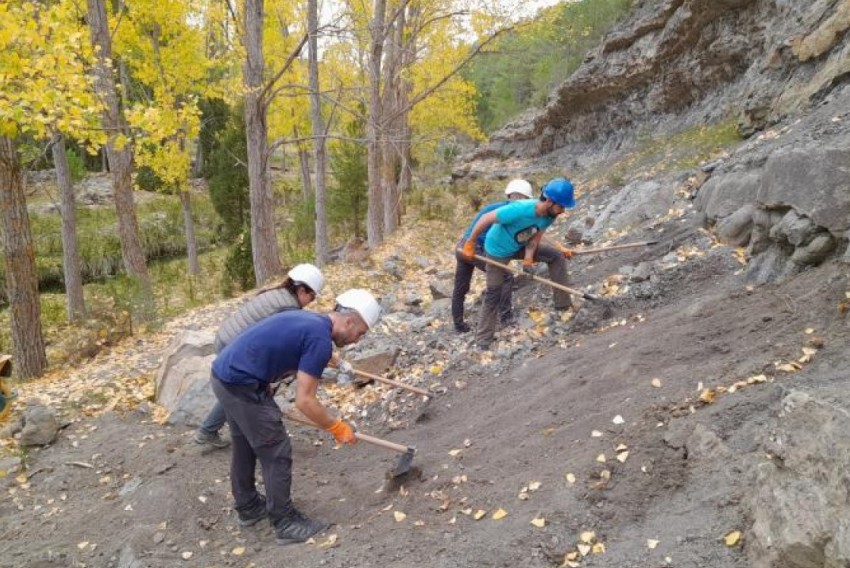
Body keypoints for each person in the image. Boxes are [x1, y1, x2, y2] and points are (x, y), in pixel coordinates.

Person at [210, 289, 381, 544]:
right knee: (276, 449)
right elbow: (305, 401)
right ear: (349, 321)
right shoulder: (319, 340)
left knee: (245, 444)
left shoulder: (310, 321)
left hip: (225, 375)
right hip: (241, 383)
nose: (357, 340)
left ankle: (248, 507)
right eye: (360, 333)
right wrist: (336, 426)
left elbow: (282, 344)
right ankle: (285, 522)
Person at [194, 264, 329, 448]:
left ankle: (212, 431)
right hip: (234, 345)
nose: (311, 301)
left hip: (226, 337)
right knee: (240, 390)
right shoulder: (288, 307)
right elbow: (279, 345)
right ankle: (214, 431)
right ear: (302, 289)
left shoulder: (278, 294)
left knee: (233, 390)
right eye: (312, 296)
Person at [459, 177, 576, 349]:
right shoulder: (519, 209)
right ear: (550, 201)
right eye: (561, 206)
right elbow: (486, 218)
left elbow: (534, 238)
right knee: (494, 292)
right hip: (496, 251)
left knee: (555, 256)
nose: (563, 211)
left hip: (518, 246)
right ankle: (483, 340)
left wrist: (528, 258)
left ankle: (563, 305)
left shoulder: (550, 216)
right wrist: (470, 242)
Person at [451, 179, 535, 333]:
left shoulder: (497, 207)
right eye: (520, 198)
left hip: (462, 246)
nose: (519, 201)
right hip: (473, 247)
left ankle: (458, 325)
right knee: (506, 276)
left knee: (460, 289)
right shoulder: (508, 212)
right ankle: (506, 317)